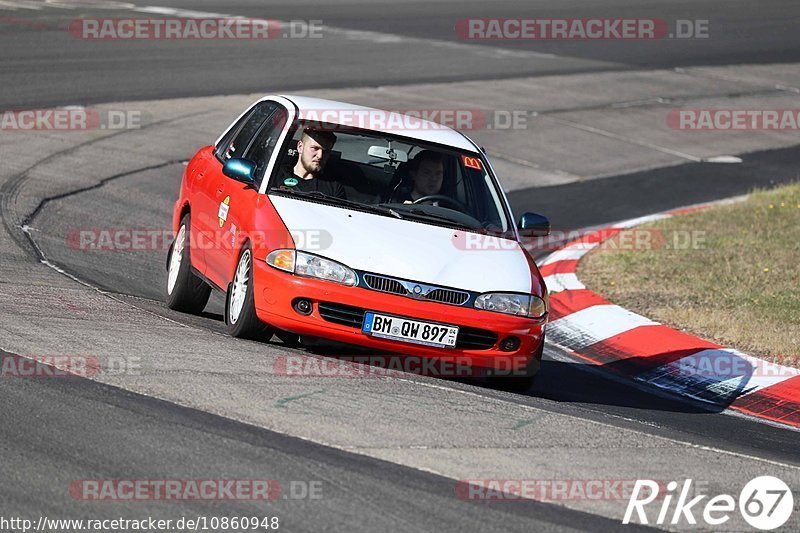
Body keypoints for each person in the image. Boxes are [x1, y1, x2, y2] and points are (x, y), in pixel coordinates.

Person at [279, 127, 346, 198]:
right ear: (300, 147)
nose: (320, 156)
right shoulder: (274, 175)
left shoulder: (334, 188)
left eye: (326, 151)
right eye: (315, 148)